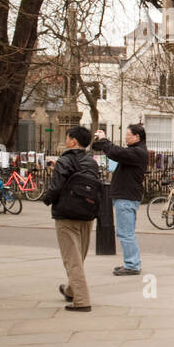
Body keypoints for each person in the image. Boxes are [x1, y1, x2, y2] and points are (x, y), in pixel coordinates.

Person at [43, 125, 102, 313]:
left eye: (67, 138)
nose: (66, 140)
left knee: (71, 259)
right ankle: (70, 290)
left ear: (73, 141)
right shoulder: (91, 162)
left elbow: (56, 187)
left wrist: (46, 199)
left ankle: (82, 300)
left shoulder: (64, 161)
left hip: (66, 214)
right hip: (87, 213)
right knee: (79, 256)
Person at [92, 124, 149, 277]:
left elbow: (115, 152)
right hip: (126, 197)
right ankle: (131, 262)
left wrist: (105, 140)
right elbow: (111, 151)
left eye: (128, 135)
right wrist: (101, 141)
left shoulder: (137, 152)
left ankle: (132, 264)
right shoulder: (135, 151)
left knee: (126, 233)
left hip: (126, 198)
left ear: (137, 137)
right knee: (126, 232)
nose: (125, 137)